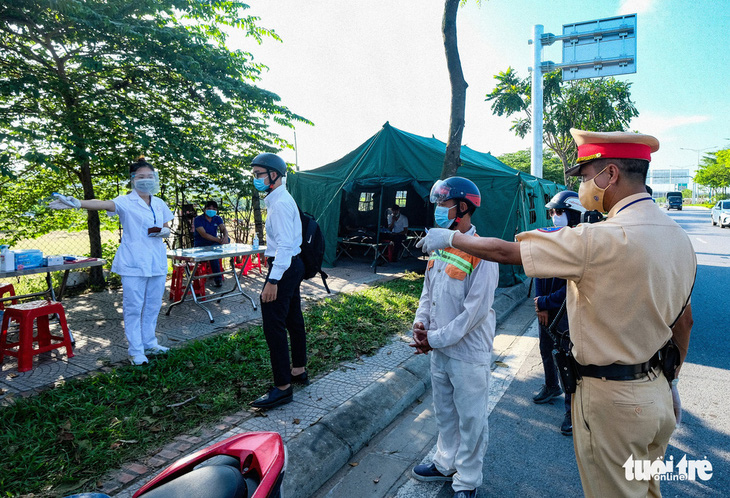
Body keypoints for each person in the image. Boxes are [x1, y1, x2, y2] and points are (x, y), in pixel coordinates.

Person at [416, 129, 696, 498]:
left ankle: (466, 477)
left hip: (613, 404)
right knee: (644, 490)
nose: (581, 186)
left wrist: (448, 238)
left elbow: (504, 252)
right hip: (656, 393)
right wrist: (671, 383)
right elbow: (683, 320)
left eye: (584, 176)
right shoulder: (678, 238)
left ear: (610, 174)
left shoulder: (598, 239)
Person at [409, 177, 499, 498]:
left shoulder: (484, 254)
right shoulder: (440, 246)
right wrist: (421, 325)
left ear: (461, 209)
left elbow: (472, 316)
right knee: (445, 411)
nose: (437, 210)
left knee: (471, 418)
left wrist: (431, 339)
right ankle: (445, 463)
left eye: (442, 204)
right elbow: (427, 292)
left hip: (467, 353)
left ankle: (467, 479)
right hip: (439, 349)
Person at [49, 157, 174, 366]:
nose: (146, 180)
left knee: (153, 305)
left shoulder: (159, 202)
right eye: (141, 177)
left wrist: (163, 232)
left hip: (156, 261)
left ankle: (150, 343)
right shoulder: (126, 201)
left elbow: (166, 226)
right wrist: (78, 203)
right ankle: (136, 351)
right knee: (134, 307)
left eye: (149, 176)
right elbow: (103, 204)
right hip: (133, 262)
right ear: (133, 180)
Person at [249, 153, 308, 410]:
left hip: (283, 267)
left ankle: (283, 387)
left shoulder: (281, 203)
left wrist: (273, 280)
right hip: (290, 265)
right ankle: (298, 370)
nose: (256, 179)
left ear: (274, 175)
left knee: (273, 324)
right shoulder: (278, 199)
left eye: (259, 174)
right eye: (254, 175)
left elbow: (284, 245)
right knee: (293, 318)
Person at [532, 190, 585, 437]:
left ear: (573, 213)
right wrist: (541, 304)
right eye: (552, 211)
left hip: (568, 311)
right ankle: (551, 386)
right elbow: (538, 270)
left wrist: (547, 302)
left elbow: (571, 287)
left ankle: (571, 410)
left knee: (566, 359)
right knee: (545, 348)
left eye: (560, 211)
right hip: (547, 306)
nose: (554, 216)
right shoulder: (548, 237)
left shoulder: (581, 243)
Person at [193, 200, 231, 287]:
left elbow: (223, 229)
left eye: (214, 209)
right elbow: (204, 234)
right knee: (214, 253)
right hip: (201, 245)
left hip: (214, 243)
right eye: (209, 208)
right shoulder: (198, 219)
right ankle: (218, 280)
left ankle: (218, 278)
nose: (211, 210)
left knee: (226, 241)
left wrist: (225, 237)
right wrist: (219, 241)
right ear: (204, 209)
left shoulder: (217, 218)